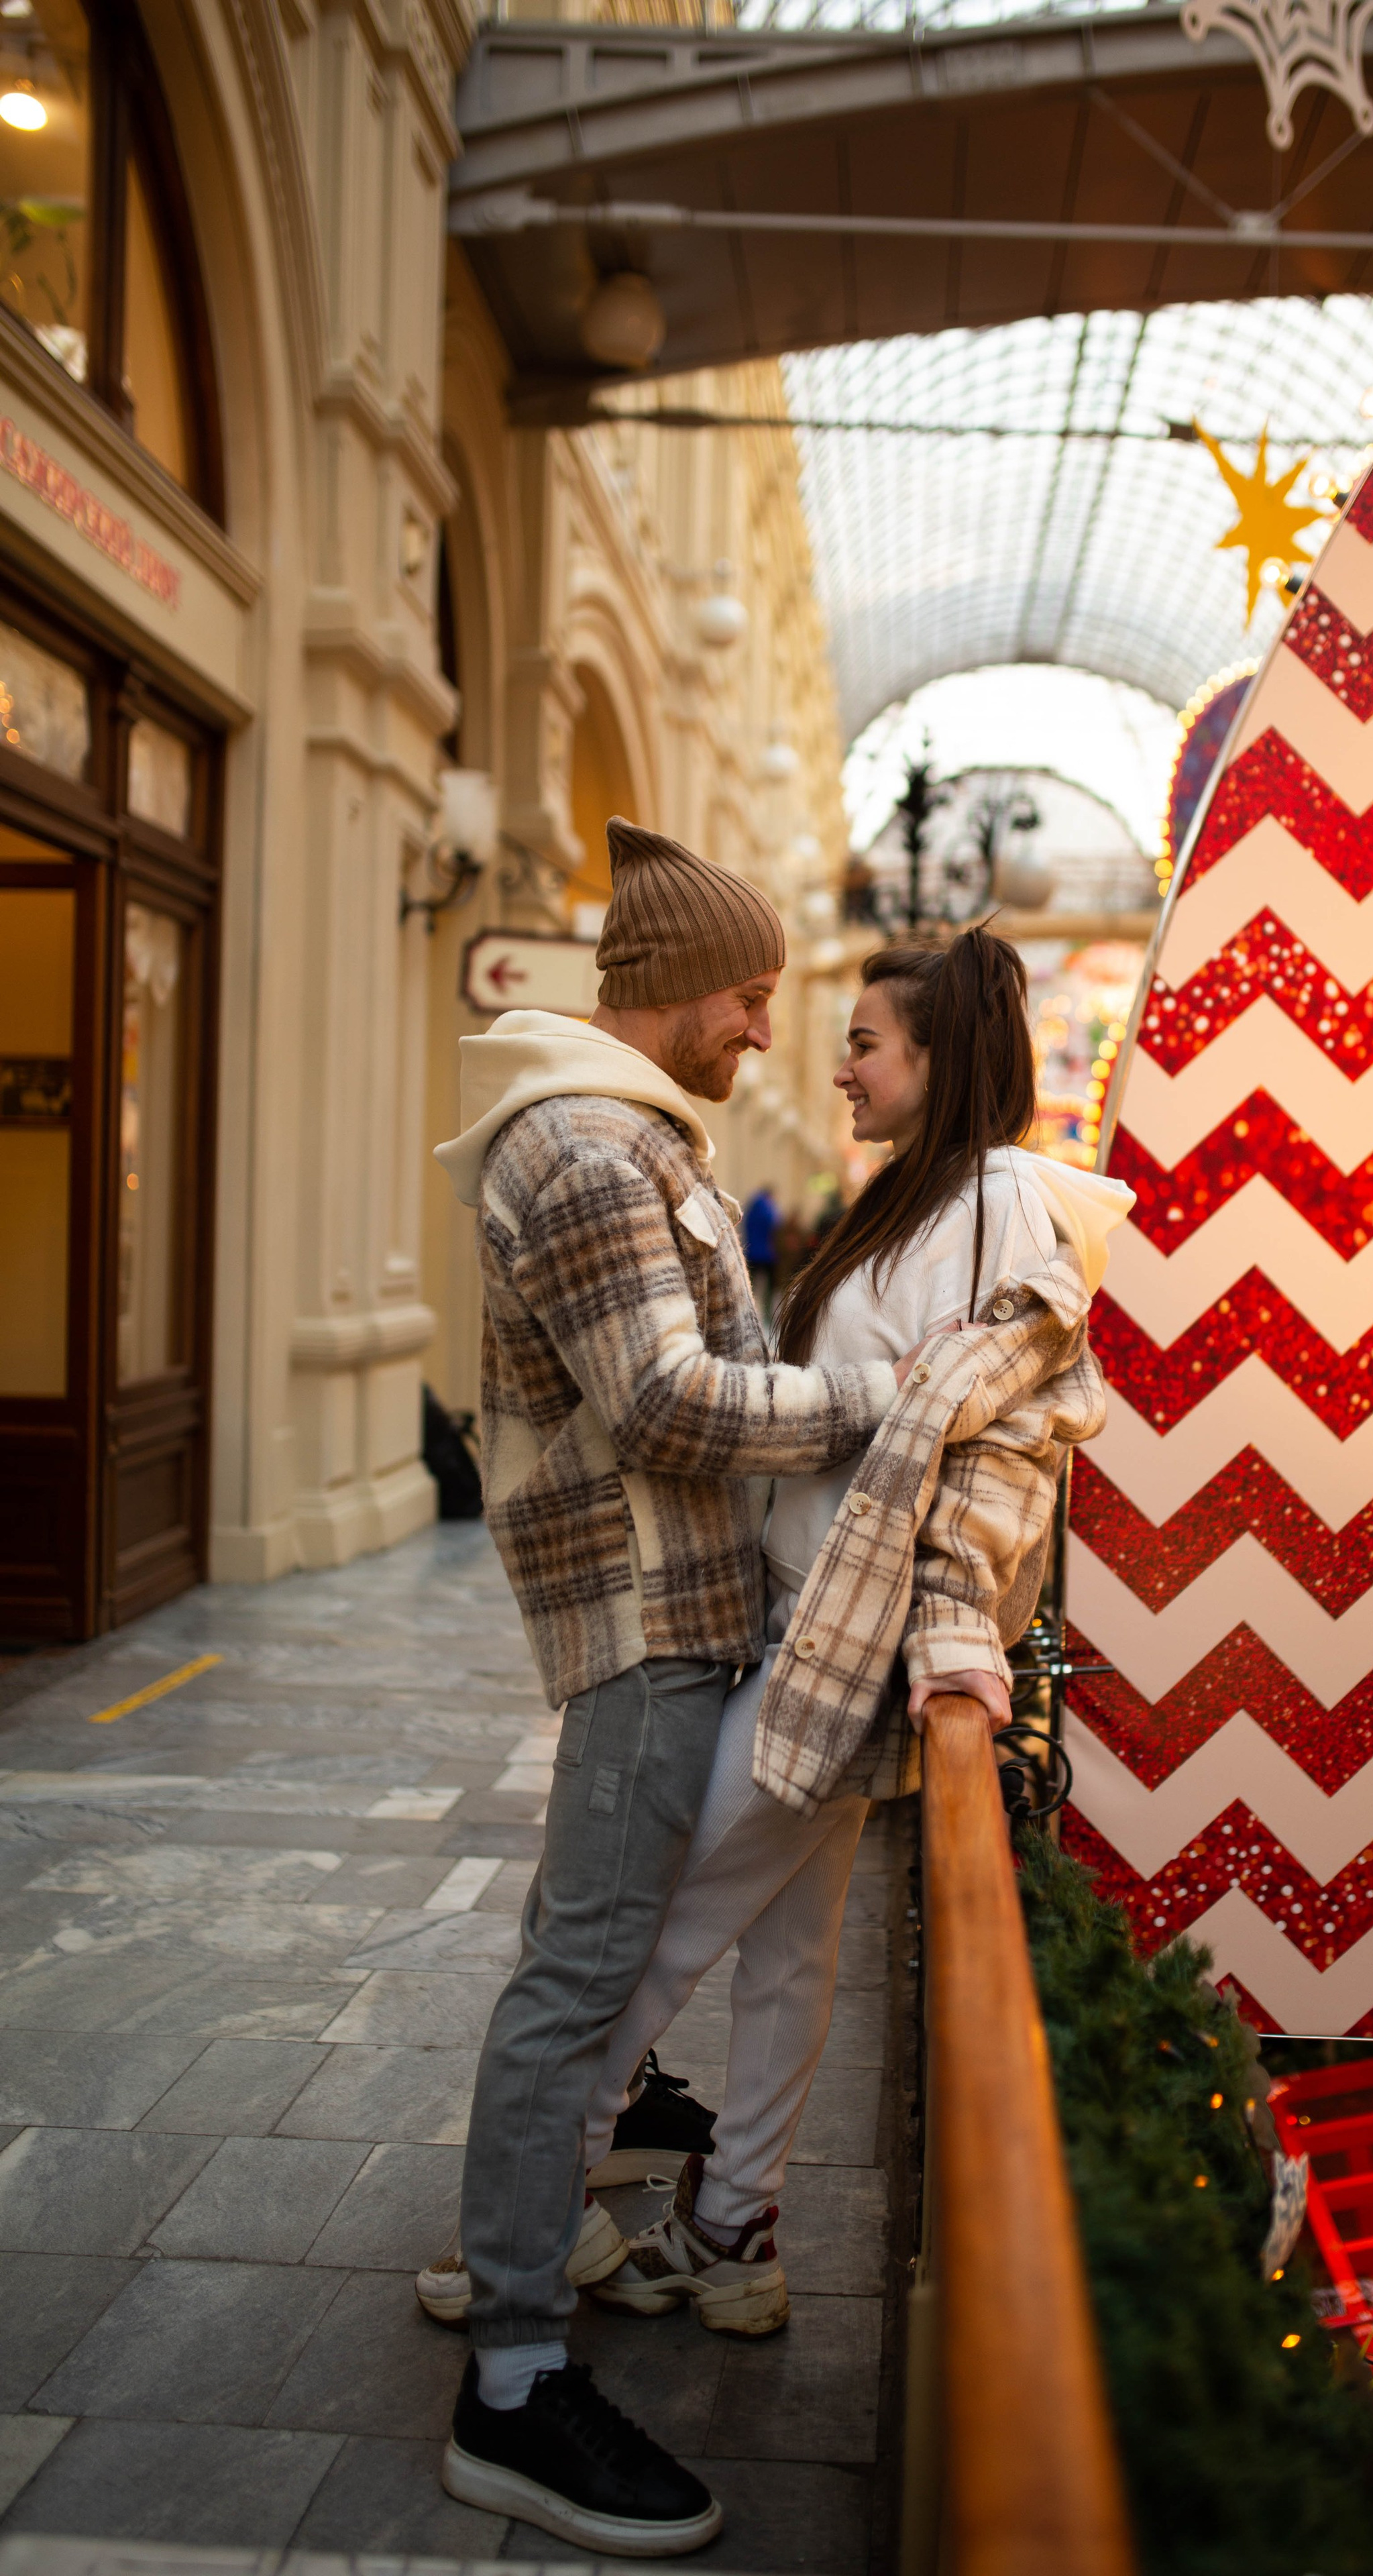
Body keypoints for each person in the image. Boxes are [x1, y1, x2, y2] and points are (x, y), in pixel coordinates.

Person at [428, 820, 948, 2557]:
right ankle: (512, 2381)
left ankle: (529, 2278)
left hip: (685, 1601)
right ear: (674, 987)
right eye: (749, 992)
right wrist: (884, 1409)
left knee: (597, 1967)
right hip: (646, 1612)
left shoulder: (631, 1133)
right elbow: (659, 1398)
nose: (761, 1028)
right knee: (580, 1980)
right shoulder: (585, 1147)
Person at [580, 926, 1133, 2334]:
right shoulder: (925, 1195)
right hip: (822, 1628)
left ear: (939, 1060)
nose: (837, 1068)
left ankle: (545, 2197)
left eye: (866, 1044)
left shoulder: (998, 1204)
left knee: (663, 1917)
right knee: (787, 1952)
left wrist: (951, 1631)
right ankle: (736, 2229)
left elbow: (990, 1450)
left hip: (846, 1644)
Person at [742, 1181, 779, 1318]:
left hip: (751, 1252)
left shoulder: (751, 1207)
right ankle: (769, 1314)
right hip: (767, 1254)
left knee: (750, 1286)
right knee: (769, 1287)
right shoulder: (767, 1208)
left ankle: (747, 1312)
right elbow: (775, 1224)